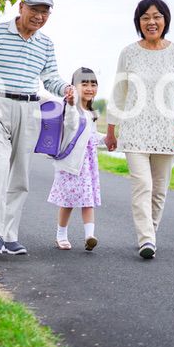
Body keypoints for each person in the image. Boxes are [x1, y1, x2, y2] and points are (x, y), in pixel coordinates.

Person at [0, 0, 74, 256]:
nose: (39, 16)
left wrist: (66, 89)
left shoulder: (45, 44)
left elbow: (50, 78)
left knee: (20, 175)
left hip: (29, 108)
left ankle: (11, 236)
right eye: (34, 9)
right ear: (21, 7)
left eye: (45, 11)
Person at [105, 0, 174, 259]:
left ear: (165, 20)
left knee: (159, 190)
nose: (151, 22)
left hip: (167, 130)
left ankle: (150, 234)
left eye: (156, 17)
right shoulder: (128, 53)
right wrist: (112, 129)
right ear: (138, 22)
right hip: (134, 130)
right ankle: (146, 238)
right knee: (142, 186)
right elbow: (119, 93)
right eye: (145, 18)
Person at [47, 67, 105, 251]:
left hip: (87, 165)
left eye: (93, 84)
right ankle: (61, 235)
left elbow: (91, 137)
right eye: (84, 84)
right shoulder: (70, 108)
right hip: (71, 164)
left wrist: (108, 140)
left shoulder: (92, 113)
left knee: (88, 200)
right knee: (68, 201)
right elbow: (70, 125)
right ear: (74, 87)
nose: (89, 88)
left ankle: (89, 236)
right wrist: (71, 104)